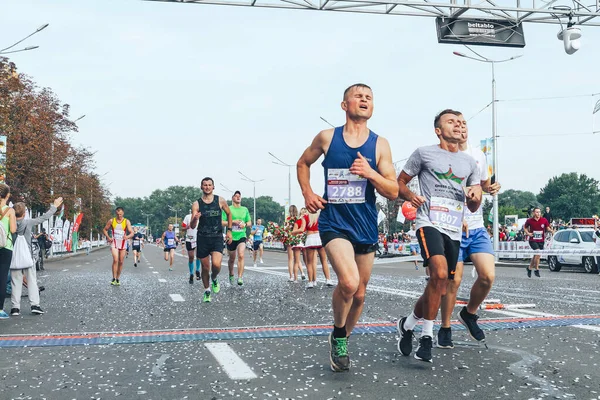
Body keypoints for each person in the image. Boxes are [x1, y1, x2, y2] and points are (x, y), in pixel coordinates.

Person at [297, 83, 398, 372]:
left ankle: (341, 339)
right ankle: (339, 334)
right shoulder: (328, 138)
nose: (365, 100)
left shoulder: (380, 144)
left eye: (369, 97)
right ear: (345, 105)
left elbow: (392, 191)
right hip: (334, 223)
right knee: (349, 283)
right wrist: (308, 193)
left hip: (365, 225)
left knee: (360, 294)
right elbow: (303, 163)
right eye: (359, 96)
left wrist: (370, 173)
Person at [396, 109, 481, 363]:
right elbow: (399, 182)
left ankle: (408, 324)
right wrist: (410, 196)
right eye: (450, 122)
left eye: (459, 122)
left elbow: (475, 203)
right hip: (428, 222)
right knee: (440, 275)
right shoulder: (424, 153)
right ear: (438, 130)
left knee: (440, 285)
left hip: (454, 227)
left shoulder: (470, 163)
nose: (457, 125)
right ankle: (426, 338)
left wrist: (474, 199)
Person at [437, 113, 501, 349]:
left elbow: (482, 184)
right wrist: (458, 215)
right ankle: (445, 327)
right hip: (453, 226)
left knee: (487, 276)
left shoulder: (478, 155)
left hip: (477, 226)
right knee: (454, 280)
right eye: (456, 123)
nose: (461, 127)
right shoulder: (444, 157)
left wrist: (492, 186)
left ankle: (469, 313)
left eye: (464, 124)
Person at [10, 197, 63, 316]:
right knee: (32, 280)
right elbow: (44, 217)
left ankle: (15, 308)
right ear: (24, 213)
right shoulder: (28, 222)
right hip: (28, 256)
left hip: (14, 256)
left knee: (15, 282)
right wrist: (54, 206)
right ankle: (35, 305)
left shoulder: (10, 223)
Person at [189, 177, 233, 303]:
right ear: (201, 187)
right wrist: (195, 218)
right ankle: (207, 290)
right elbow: (192, 226)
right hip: (202, 237)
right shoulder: (196, 204)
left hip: (217, 237)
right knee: (205, 267)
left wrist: (229, 230)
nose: (207, 187)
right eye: (205, 185)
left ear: (213, 187)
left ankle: (214, 278)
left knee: (216, 264)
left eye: (209, 185)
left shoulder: (220, 200)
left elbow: (229, 214)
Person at [292, 209, 333, 288]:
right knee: (324, 260)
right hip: (319, 237)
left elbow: (301, 229)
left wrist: (292, 232)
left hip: (310, 238)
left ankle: (311, 282)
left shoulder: (305, 217)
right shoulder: (321, 215)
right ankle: (328, 279)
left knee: (310, 262)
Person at [223, 191, 251, 286]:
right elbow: (222, 222)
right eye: (236, 196)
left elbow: (250, 223)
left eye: (239, 196)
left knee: (241, 255)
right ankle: (231, 274)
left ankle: (240, 277)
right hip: (231, 236)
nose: (238, 197)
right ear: (232, 198)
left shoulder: (245, 209)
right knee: (232, 258)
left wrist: (245, 224)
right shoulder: (228, 209)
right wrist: (233, 222)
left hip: (241, 235)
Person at [102, 207, 134, 286]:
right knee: (115, 260)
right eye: (117, 214)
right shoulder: (112, 221)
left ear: (123, 213)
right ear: (116, 213)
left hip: (123, 243)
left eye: (120, 214)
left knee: (121, 261)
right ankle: (113, 278)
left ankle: (118, 278)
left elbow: (132, 232)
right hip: (114, 243)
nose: (119, 215)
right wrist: (108, 237)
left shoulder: (126, 221)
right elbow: (105, 229)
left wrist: (127, 237)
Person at [0, 184, 17, 319]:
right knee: (2, 277)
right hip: (5, 247)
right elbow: (13, 230)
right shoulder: (10, 211)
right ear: (7, 196)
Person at [523, 207, 553, 278]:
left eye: (539, 212)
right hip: (533, 240)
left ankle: (529, 268)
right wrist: (528, 233)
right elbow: (525, 227)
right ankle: (536, 269)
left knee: (537, 255)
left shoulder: (544, 220)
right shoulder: (529, 220)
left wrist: (551, 231)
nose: (538, 213)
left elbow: (547, 227)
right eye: (537, 212)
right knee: (537, 252)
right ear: (533, 213)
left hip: (541, 240)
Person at [284, 205, 306, 282]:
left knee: (290, 259)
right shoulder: (298, 219)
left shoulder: (288, 219)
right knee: (297, 258)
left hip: (290, 238)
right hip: (298, 239)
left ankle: (291, 276)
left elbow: (285, 228)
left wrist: (288, 227)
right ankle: (302, 273)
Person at [182, 211, 201, 284]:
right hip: (190, 239)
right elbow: (183, 228)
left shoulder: (201, 216)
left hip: (199, 238)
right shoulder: (187, 217)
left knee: (199, 255)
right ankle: (191, 274)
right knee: (191, 257)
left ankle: (197, 270)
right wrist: (187, 227)